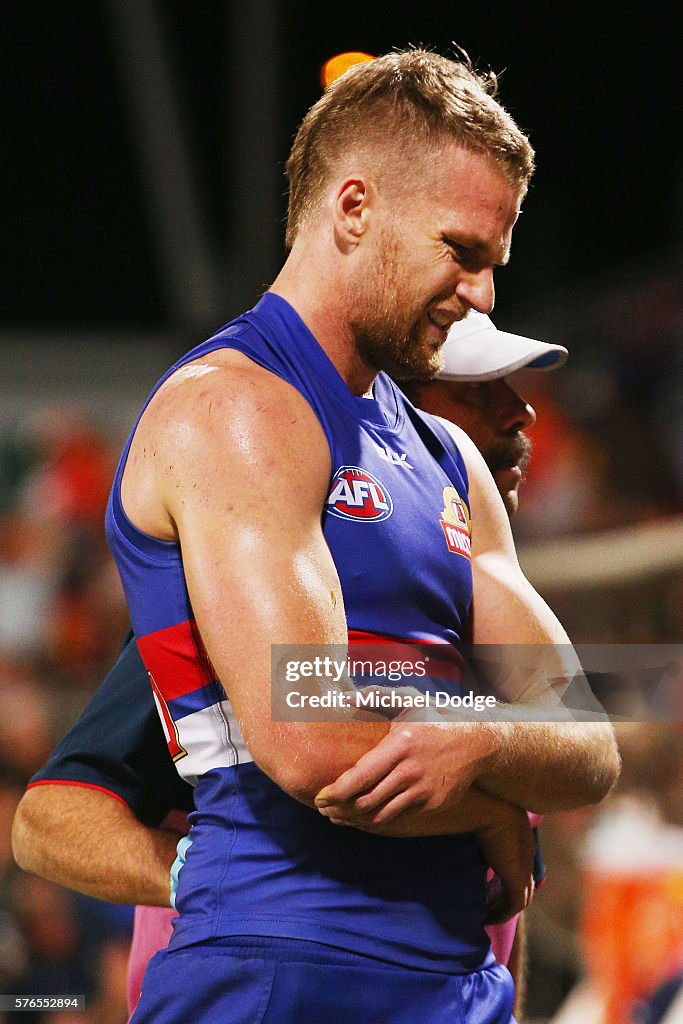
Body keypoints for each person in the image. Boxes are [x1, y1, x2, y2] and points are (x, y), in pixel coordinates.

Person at [15, 49, 618, 1024]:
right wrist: (490, 788)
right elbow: (311, 738)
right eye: (460, 251)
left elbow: (585, 742)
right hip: (278, 974)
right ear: (351, 210)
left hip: (454, 981)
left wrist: (474, 748)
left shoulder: (448, 463)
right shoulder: (232, 412)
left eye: (491, 263)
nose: (481, 294)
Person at [14, 310, 567, 1020]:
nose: (518, 412)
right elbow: (46, 820)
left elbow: (505, 902)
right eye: (475, 390)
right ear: (397, 417)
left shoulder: (480, 620)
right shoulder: (256, 610)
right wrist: (207, 877)